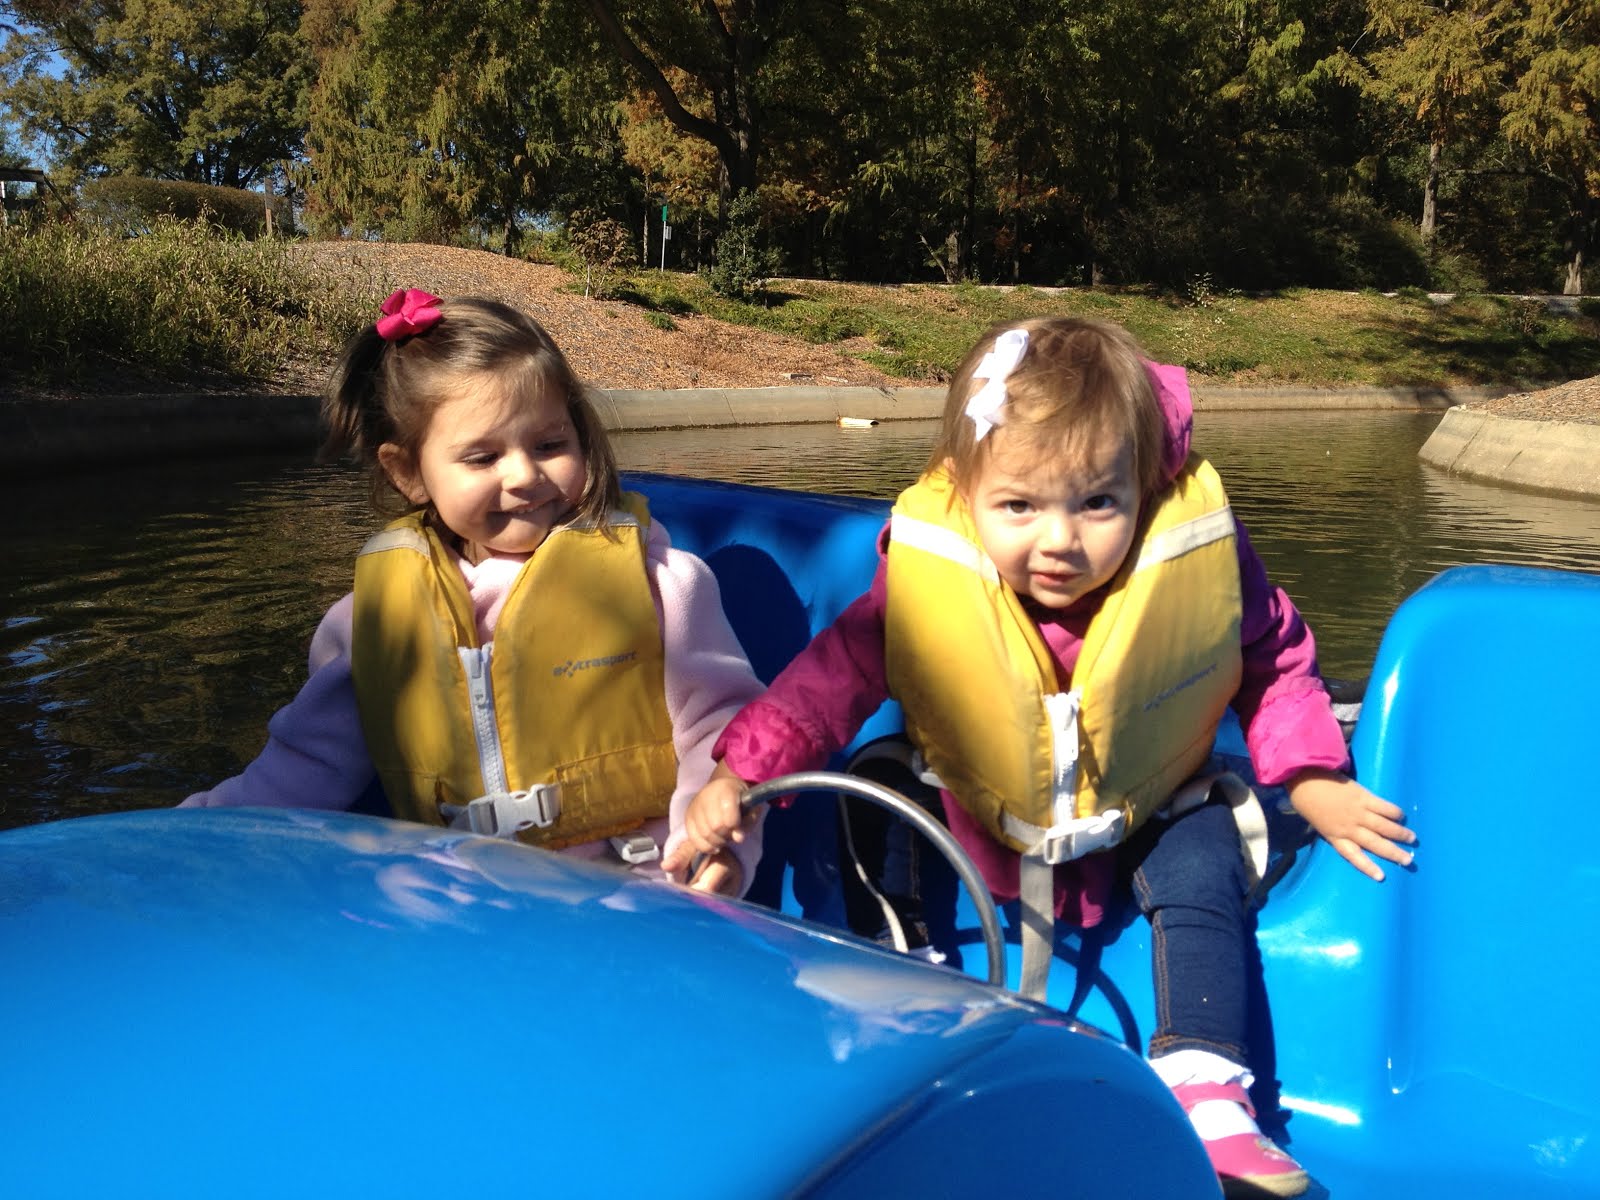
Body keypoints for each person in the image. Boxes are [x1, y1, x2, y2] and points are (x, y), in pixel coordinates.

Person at [663, 316, 1416, 1196]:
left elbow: (1275, 657)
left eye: (1097, 503)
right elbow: (829, 681)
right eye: (1020, 506)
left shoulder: (1199, 560)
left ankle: (1208, 1086)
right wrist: (740, 774)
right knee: (876, 793)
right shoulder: (925, 573)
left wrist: (1313, 776)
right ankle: (905, 996)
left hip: (1138, 811)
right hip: (976, 816)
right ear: (964, 487)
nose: (1060, 540)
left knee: (1204, 842)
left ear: (1145, 486)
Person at [183, 289, 764, 896]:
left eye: (549, 445)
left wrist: (710, 856)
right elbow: (300, 771)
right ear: (407, 473)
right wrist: (191, 837)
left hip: (627, 892)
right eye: (482, 456)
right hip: (450, 907)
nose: (524, 476)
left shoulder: (661, 583)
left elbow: (726, 738)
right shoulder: (373, 625)